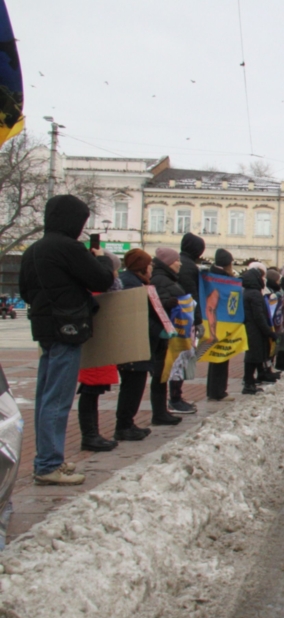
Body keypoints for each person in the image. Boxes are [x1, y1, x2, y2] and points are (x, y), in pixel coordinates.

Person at [19, 195, 115, 485]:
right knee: (58, 398)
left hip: (45, 328)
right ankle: (49, 464)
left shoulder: (33, 249)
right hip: (68, 327)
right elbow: (101, 280)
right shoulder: (68, 248)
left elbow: (25, 291)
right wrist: (101, 261)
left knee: (45, 396)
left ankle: (48, 458)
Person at [76, 251, 123, 452]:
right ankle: (90, 435)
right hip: (95, 352)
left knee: (92, 393)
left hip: (98, 352)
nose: (117, 275)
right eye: (115, 270)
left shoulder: (99, 291)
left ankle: (93, 434)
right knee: (89, 392)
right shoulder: (97, 292)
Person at [115, 249, 156, 441]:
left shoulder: (130, 281)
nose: (151, 268)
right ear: (142, 266)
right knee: (133, 384)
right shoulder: (133, 284)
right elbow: (138, 314)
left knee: (133, 384)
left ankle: (127, 423)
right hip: (135, 342)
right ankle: (124, 425)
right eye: (149, 264)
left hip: (132, 341)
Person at [149, 248, 187, 426]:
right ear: (168, 262)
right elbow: (158, 306)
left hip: (167, 332)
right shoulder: (160, 280)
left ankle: (161, 411)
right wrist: (170, 304)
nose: (179, 263)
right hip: (162, 332)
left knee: (163, 372)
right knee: (160, 373)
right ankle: (159, 413)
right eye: (176, 260)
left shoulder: (167, 279)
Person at [168, 233, 205, 414]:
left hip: (179, 316)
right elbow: (192, 296)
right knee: (181, 358)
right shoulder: (188, 266)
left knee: (179, 358)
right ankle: (175, 398)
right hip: (184, 319)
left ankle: (176, 396)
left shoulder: (182, 262)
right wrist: (198, 320)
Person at [205, 249, 236, 401]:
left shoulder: (211, 275)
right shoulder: (222, 278)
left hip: (214, 319)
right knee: (221, 356)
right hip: (221, 320)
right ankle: (218, 391)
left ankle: (214, 389)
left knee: (216, 357)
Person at [241, 267, 275, 394]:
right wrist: (268, 331)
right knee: (253, 356)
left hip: (251, 327)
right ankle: (248, 383)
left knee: (254, 355)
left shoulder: (249, 291)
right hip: (254, 329)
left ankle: (250, 380)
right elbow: (258, 315)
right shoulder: (254, 294)